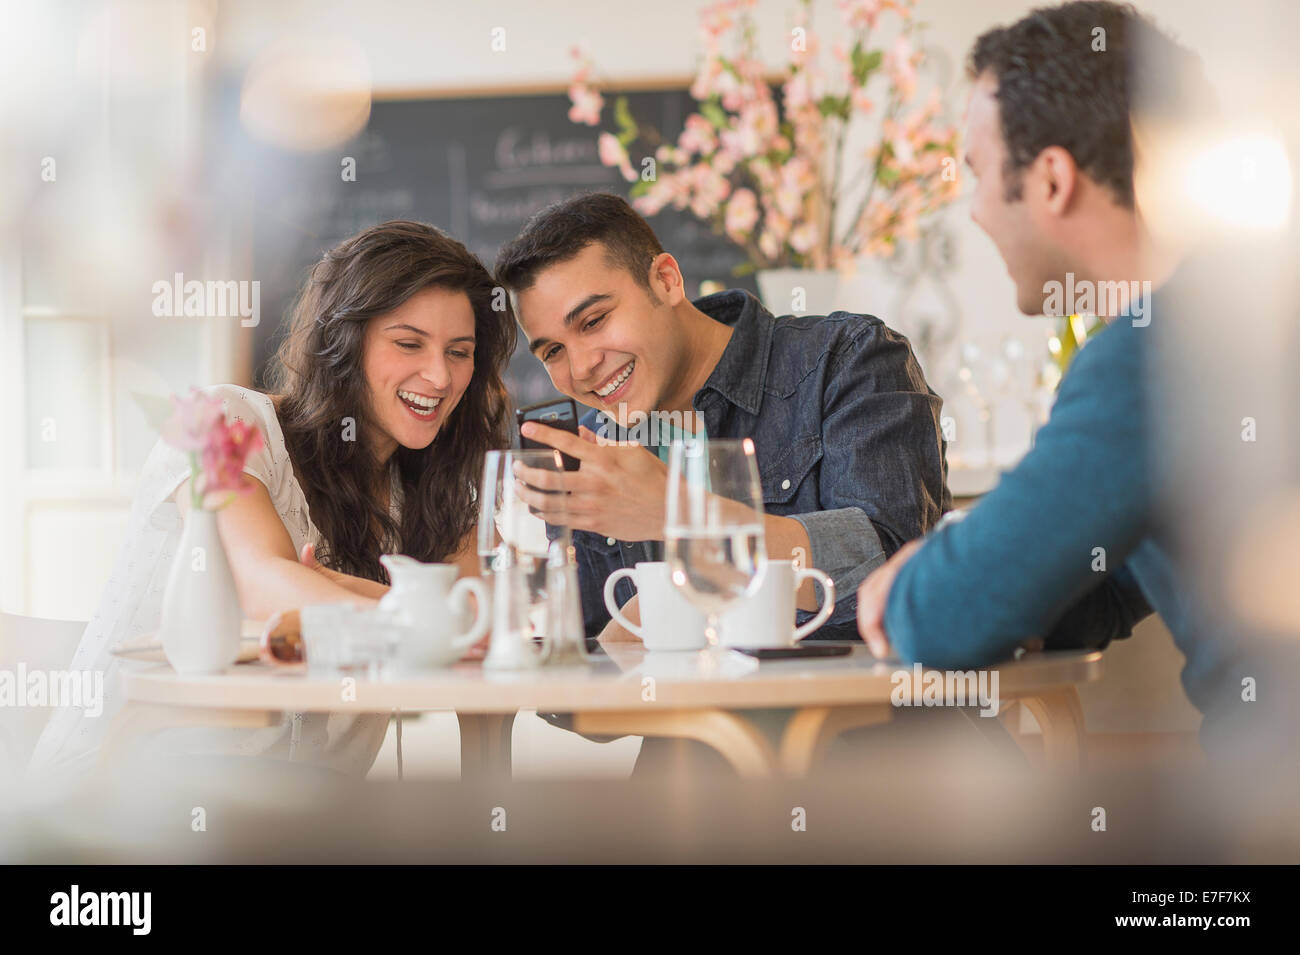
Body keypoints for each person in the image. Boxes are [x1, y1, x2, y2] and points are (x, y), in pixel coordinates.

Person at [855, 1, 1288, 760]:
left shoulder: (1155, 352)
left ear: (1051, 179)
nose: (976, 208)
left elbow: (936, 619)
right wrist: (1002, 567)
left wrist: (925, 584)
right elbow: (1111, 569)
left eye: (979, 172)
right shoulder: (1240, 313)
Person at [30, 220, 514, 777]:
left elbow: (488, 637)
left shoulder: (440, 496)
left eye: (460, 352)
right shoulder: (220, 423)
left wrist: (337, 589)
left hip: (301, 825)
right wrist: (419, 615)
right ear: (345, 341)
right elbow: (266, 590)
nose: (438, 375)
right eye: (408, 343)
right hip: (128, 797)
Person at [494, 192, 951, 645]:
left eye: (593, 321)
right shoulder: (591, 455)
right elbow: (586, 664)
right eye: (553, 351)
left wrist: (680, 514)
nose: (580, 368)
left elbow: (902, 573)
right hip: (670, 721)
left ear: (667, 281)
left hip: (863, 713)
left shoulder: (845, 358)